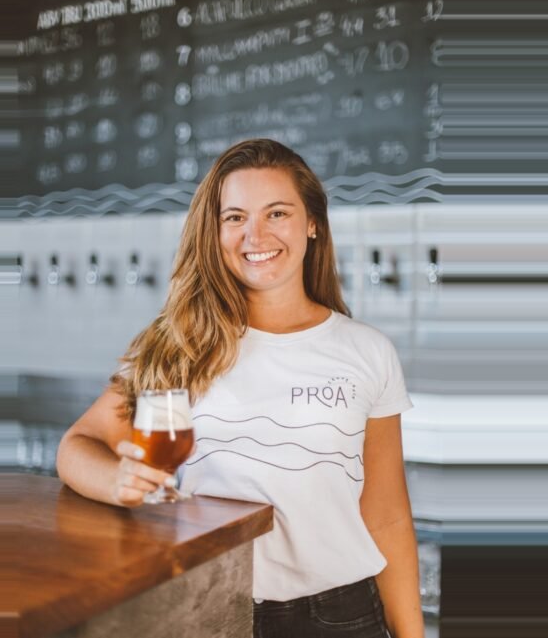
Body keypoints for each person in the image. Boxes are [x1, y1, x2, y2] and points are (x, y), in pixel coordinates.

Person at [56, 138, 424, 638]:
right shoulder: (180, 343)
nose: (255, 234)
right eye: (234, 217)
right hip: (209, 605)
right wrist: (117, 481)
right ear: (215, 230)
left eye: (277, 213)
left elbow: (387, 517)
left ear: (312, 223)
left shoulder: (366, 351)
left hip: (343, 617)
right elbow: (76, 447)